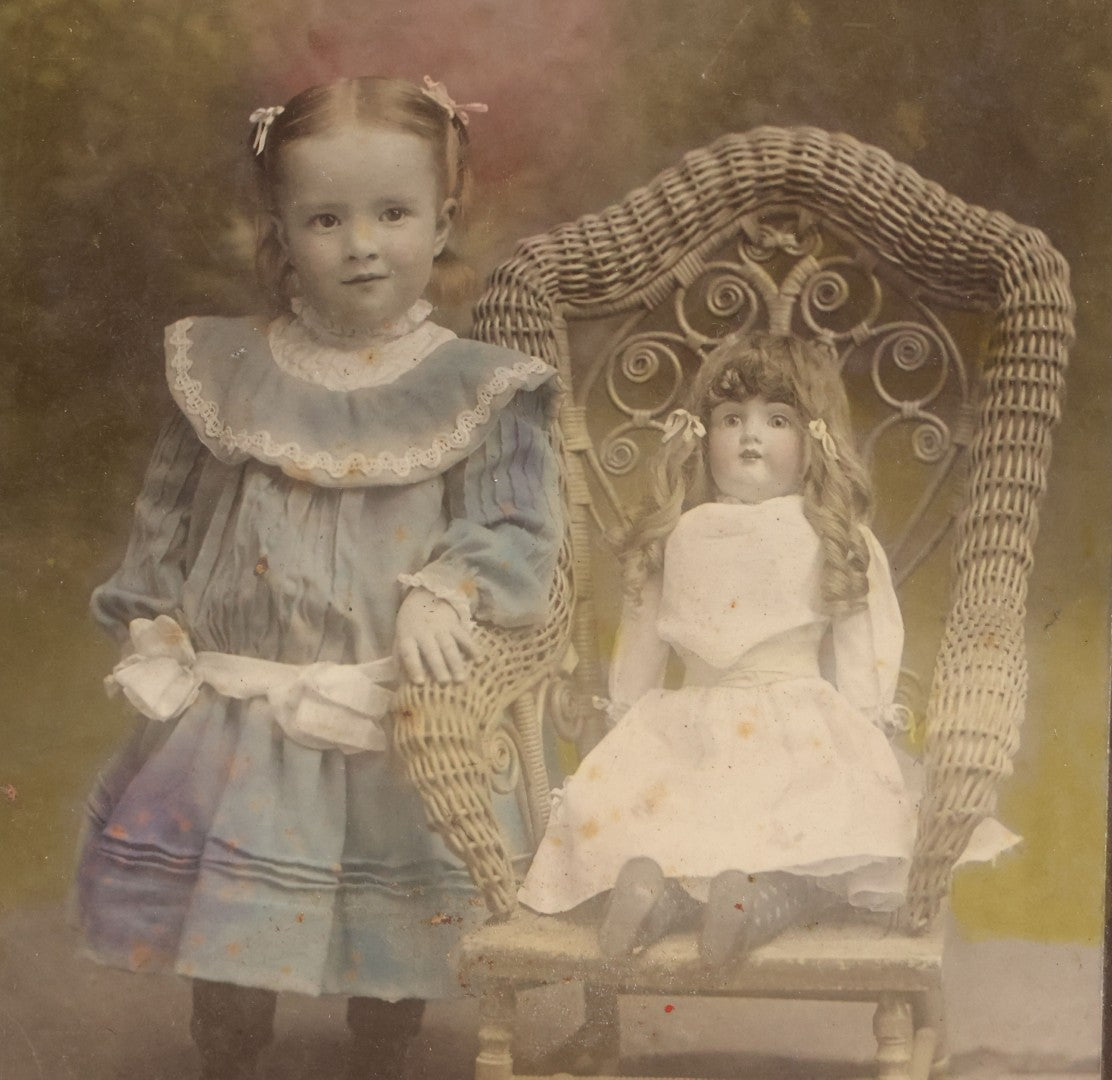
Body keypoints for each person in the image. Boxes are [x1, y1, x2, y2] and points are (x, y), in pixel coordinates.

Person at [74, 75, 562, 1079]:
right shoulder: (227, 372)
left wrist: (448, 586)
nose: (362, 245)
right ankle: (229, 1038)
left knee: (389, 901)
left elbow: (515, 524)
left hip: (391, 704)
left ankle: (383, 1039)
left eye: (392, 214)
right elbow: (167, 511)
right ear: (280, 231)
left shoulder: (474, 387)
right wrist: (151, 616)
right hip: (249, 698)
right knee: (236, 899)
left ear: (441, 222)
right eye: (325, 219)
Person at [518, 333, 1014, 965]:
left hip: (725, 729)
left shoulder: (771, 532)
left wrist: (625, 725)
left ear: (814, 441)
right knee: (798, 846)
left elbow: (643, 665)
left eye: (777, 420)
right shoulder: (705, 535)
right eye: (731, 419)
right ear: (702, 436)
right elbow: (863, 657)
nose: (751, 436)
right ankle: (722, 899)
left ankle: (687, 898)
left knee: (707, 834)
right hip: (772, 727)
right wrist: (867, 724)